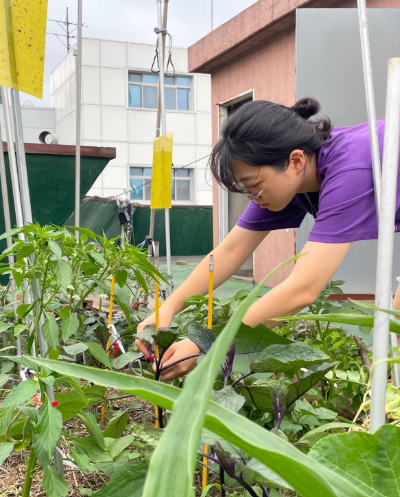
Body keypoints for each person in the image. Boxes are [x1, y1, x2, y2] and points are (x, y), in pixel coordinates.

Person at [136, 97, 400, 380]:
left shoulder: (349, 170)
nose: (252, 197)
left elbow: (303, 289)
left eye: (254, 186)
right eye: (245, 189)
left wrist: (208, 346)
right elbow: (231, 251)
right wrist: (168, 308)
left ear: (296, 160)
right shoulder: (287, 178)